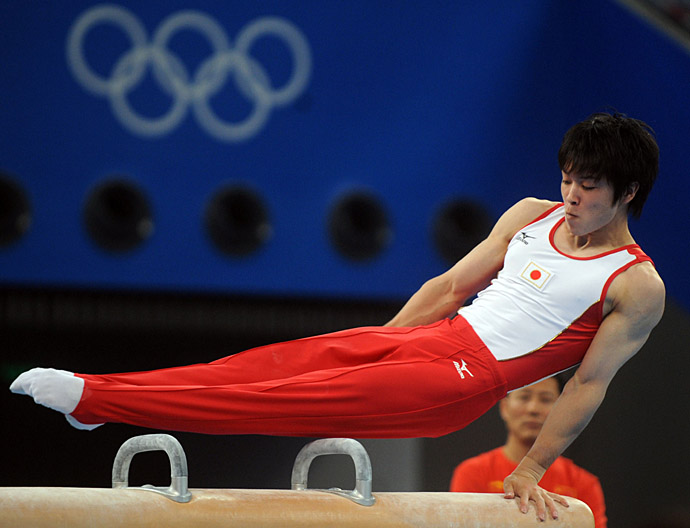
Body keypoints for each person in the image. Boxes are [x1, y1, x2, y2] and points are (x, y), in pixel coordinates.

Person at [10, 111, 665, 521]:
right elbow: (448, 287)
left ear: (628, 192)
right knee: (261, 366)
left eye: (588, 187)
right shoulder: (530, 215)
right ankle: (100, 402)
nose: (570, 195)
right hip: (431, 341)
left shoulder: (634, 285)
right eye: (567, 179)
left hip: (463, 382)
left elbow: (588, 384)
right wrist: (382, 345)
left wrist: (530, 469)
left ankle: (96, 397)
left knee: (276, 401)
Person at [450, 374, 607, 527]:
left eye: (545, 399)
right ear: (504, 407)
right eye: (524, 397)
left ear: (561, 412)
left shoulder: (583, 483)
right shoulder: (473, 472)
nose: (533, 409)